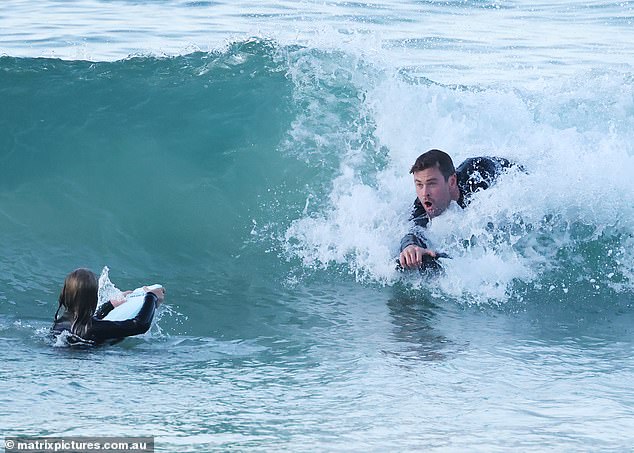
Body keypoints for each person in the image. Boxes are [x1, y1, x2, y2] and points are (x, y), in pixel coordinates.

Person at [399, 149, 520, 269]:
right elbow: (414, 230)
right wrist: (410, 247)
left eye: (432, 184)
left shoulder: (477, 180)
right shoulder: (421, 204)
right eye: (419, 184)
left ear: (452, 182)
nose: (425, 193)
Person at [51, 268, 165, 345]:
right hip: (86, 363)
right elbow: (139, 325)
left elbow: (87, 322)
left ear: (65, 294)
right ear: (92, 298)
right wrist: (152, 296)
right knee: (119, 338)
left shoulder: (59, 323)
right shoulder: (94, 329)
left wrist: (110, 305)